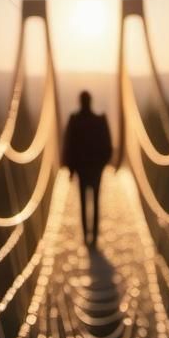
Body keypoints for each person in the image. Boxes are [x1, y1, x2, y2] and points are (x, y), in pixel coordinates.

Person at [62, 91, 113, 247]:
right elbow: (108, 146)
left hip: (82, 169)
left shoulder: (74, 120)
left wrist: (71, 169)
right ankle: (94, 237)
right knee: (95, 202)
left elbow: (69, 146)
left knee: (84, 202)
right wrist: (102, 165)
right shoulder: (100, 121)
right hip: (96, 169)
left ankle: (86, 236)